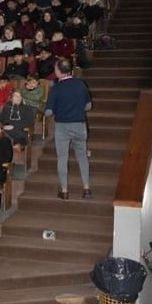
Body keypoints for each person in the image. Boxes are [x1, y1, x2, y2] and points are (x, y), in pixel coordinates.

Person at [44, 58, 92, 200]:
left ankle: (64, 191)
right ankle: (87, 189)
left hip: (62, 127)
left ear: (58, 72)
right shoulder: (81, 84)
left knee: (62, 158)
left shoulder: (56, 88)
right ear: (70, 70)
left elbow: (48, 112)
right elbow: (88, 106)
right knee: (82, 157)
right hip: (79, 125)